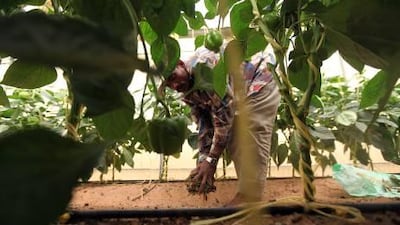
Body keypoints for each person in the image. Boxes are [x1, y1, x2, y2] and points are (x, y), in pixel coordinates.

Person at [162, 46, 280, 205]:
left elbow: (223, 119)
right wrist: (203, 159)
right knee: (234, 135)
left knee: (249, 130)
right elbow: (205, 123)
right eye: (169, 85)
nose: (174, 86)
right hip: (241, 89)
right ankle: (247, 194)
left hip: (261, 77)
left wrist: (211, 162)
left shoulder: (206, 69)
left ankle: (249, 197)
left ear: (181, 64)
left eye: (173, 77)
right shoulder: (188, 89)